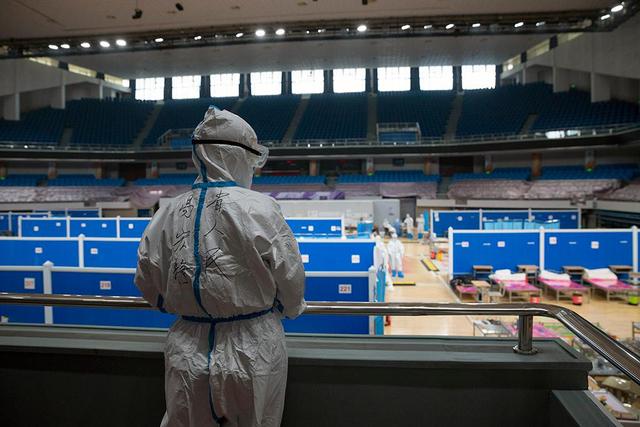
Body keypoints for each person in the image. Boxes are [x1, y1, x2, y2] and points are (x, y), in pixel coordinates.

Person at [135, 108, 306, 427]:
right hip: (253, 350)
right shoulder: (260, 209)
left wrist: (179, 306)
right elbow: (291, 278)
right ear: (241, 157)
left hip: (186, 350)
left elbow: (148, 277)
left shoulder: (168, 211)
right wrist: (287, 308)